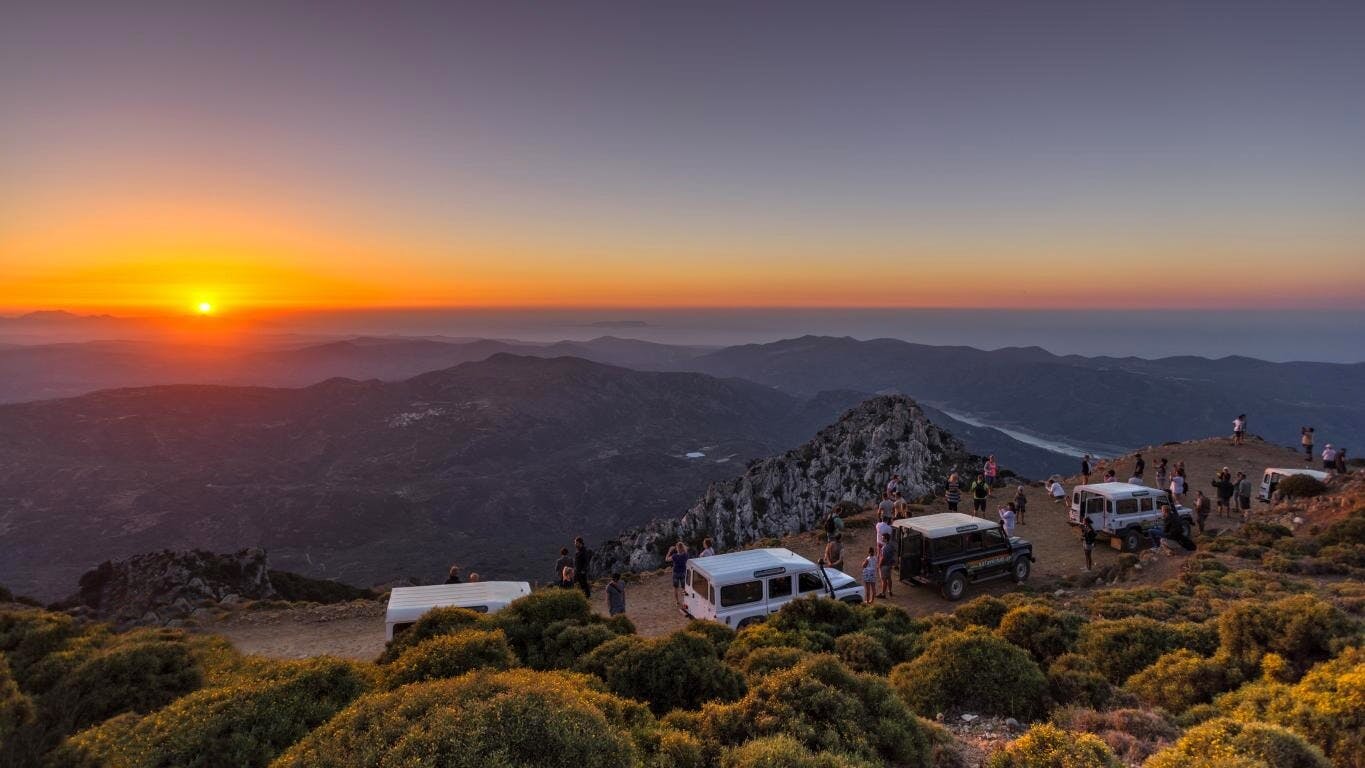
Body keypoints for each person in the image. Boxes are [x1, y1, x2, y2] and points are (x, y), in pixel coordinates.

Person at [877, 533, 895, 598]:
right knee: (889, 578)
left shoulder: (884, 548)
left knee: (884, 580)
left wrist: (879, 565)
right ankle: (890, 591)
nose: (882, 539)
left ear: (886, 539)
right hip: (889, 565)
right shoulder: (891, 545)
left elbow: (883, 558)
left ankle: (883, 594)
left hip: (884, 566)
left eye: (883, 538)